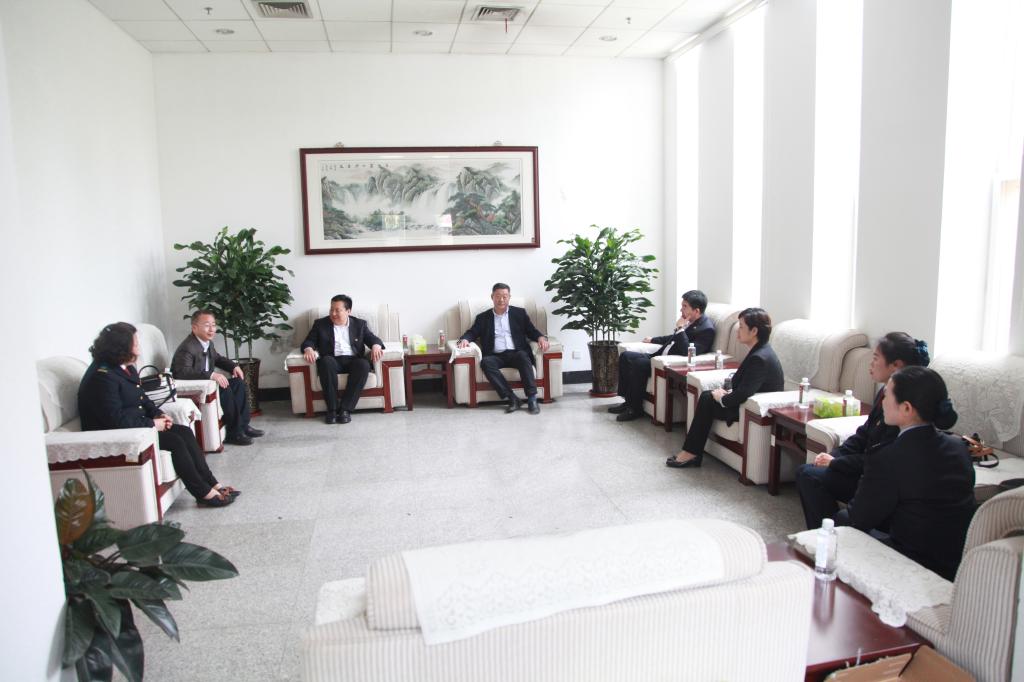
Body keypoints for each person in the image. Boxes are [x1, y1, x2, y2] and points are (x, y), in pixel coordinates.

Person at [79, 323, 238, 507]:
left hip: (138, 425)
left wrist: (159, 414)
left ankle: (212, 483)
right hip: (119, 433)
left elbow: (142, 397)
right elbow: (114, 419)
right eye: (135, 343)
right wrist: (153, 425)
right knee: (175, 442)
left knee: (184, 432)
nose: (139, 347)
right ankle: (203, 493)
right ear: (121, 347)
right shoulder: (102, 376)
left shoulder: (124, 367)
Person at [842, 366, 975, 580]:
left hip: (911, 562)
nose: (882, 402)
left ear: (906, 408)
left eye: (887, 396)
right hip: (956, 564)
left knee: (840, 521)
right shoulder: (958, 447)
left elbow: (860, 518)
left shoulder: (889, 456)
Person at [796, 332, 932, 530]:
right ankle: (826, 533)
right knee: (808, 473)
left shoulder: (904, 408)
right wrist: (835, 455)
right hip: (867, 470)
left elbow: (881, 459)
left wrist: (836, 462)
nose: (871, 363)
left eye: (876, 358)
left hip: (880, 480)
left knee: (811, 477)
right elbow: (864, 434)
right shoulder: (885, 393)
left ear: (896, 365)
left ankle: (832, 534)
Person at [667, 307, 783, 468]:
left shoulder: (760, 358)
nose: (737, 332)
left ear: (754, 331)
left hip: (750, 410)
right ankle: (692, 452)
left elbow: (744, 393)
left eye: (741, 327)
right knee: (707, 396)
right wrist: (724, 391)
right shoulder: (760, 350)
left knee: (708, 399)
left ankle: (691, 452)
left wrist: (722, 398)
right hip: (744, 401)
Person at [609, 290, 715, 422]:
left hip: (667, 362)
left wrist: (680, 329)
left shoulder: (707, 330)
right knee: (625, 356)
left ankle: (635, 409)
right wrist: (653, 339)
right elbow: (672, 338)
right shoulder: (690, 321)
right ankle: (627, 402)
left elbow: (687, 351)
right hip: (658, 355)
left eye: (685, 306)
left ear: (696, 311)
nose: (681, 309)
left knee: (639, 364)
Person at [171, 310, 264, 446]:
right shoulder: (188, 347)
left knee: (238, 383)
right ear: (194, 327)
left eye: (213, 325)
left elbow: (217, 358)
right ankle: (234, 433)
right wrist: (211, 375)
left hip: (209, 384)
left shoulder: (206, 342)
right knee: (225, 388)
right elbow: (181, 372)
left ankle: (243, 426)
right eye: (207, 325)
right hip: (198, 389)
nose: (211, 329)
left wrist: (233, 366)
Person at [457, 282, 551, 415]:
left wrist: (541, 337)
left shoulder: (519, 313)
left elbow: (531, 331)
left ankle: (532, 399)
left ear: (509, 297)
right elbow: (472, 332)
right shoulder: (483, 318)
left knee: (523, 356)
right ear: (492, 297)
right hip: (495, 356)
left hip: (516, 353)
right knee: (486, 362)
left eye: (505, 296)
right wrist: (465, 339)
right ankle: (512, 398)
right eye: (498, 296)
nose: (501, 299)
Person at [301, 294, 384, 424]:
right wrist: (308, 349)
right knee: (325, 362)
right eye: (331, 310)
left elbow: (373, 339)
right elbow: (309, 341)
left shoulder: (359, 324)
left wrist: (376, 346)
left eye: (337, 310)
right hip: (332, 360)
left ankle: (345, 409)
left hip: (353, 360)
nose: (333, 313)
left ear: (348, 311)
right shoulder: (320, 324)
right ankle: (332, 410)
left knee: (363, 365)